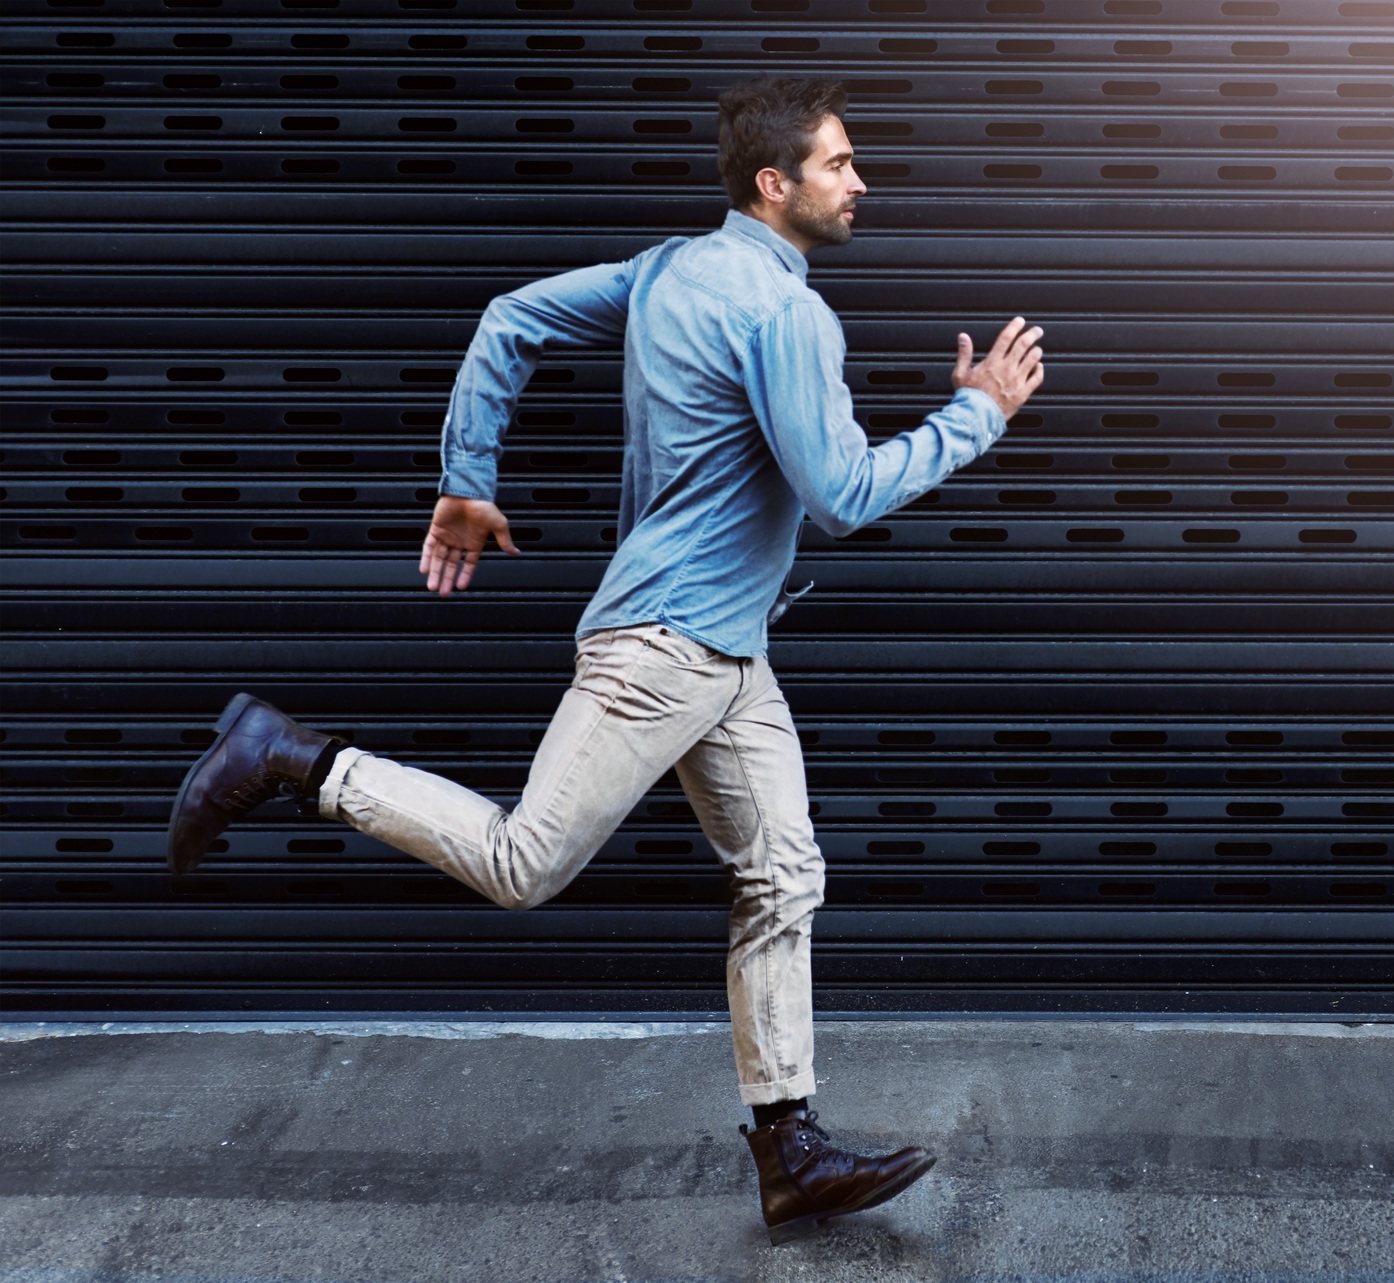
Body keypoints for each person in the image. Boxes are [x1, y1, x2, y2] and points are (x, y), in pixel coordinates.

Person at [165, 76, 1045, 1244]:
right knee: (526, 862)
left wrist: (467, 474)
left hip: (725, 651)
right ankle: (293, 756)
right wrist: (974, 414)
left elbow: (508, 319)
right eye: (839, 163)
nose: (859, 181)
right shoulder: (788, 314)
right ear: (774, 184)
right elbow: (839, 492)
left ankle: (787, 1148)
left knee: (785, 874)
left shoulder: (670, 269)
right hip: (665, 648)